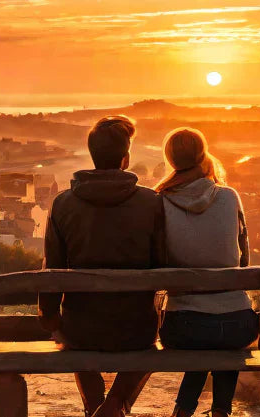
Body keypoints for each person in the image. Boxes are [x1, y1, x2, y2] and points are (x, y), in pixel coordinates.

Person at [39, 115, 166, 417]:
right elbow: (162, 265)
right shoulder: (151, 203)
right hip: (136, 329)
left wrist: (51, 320)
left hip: (81, 329)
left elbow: (52, 269)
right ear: (126, 159)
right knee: (148, 348)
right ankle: (113, 406)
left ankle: (98, 408)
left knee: (76, 341)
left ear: (93, 156)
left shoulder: (63, 203)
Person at [154, 128, 258, 417]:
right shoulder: (229, 197)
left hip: (184, 327)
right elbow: (244, 259)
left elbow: (157, 261)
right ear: (203, 154)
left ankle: (184, 410)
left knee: (204, 331)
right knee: (222, 335)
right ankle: (219, 411)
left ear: (170, 159)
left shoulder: (158, 202)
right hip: (237, 324)